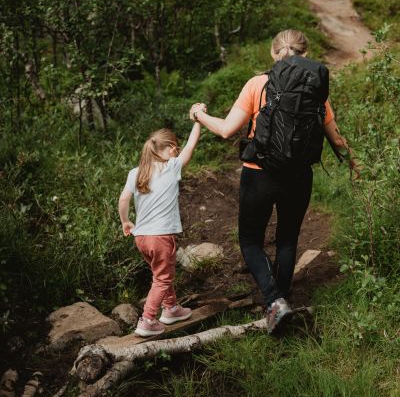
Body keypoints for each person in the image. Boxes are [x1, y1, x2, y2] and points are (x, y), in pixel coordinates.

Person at [189, 29, 356, 334]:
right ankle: (281, 300)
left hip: (259, 173)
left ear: (273, 53)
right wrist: (354, 158)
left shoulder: (257, 84)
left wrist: (200, 115)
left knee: (250, 240)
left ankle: (275, 302)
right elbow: (335, 137)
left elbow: (227, 130)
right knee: (288, 239)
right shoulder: (315, 89)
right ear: (305, 54)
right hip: (299, 175)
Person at [118, 124, 202, 337]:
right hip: (161, 237)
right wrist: (197, 121)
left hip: (142, 237)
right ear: (171, 148)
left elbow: (123, 199)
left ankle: (171, 308)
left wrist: (126, 221)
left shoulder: (135, 173)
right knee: (163, 278)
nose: (178, 151)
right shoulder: (172, 167)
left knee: (160, 274)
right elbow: (192, 145)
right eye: (176, 148)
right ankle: (147, 320)